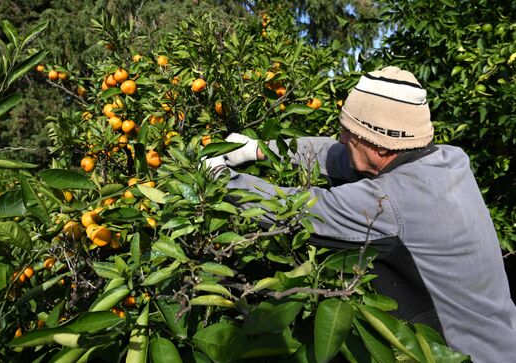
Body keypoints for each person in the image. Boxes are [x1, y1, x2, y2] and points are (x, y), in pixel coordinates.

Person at [206, 66, 516, 362]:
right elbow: (337, 153)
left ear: (381, 147)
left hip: (466, 356)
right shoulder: (449, 159)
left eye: (349, 132)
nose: (340, 137)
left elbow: (304, 209)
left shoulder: (395, 201)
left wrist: (221, 178)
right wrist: (258, 149)